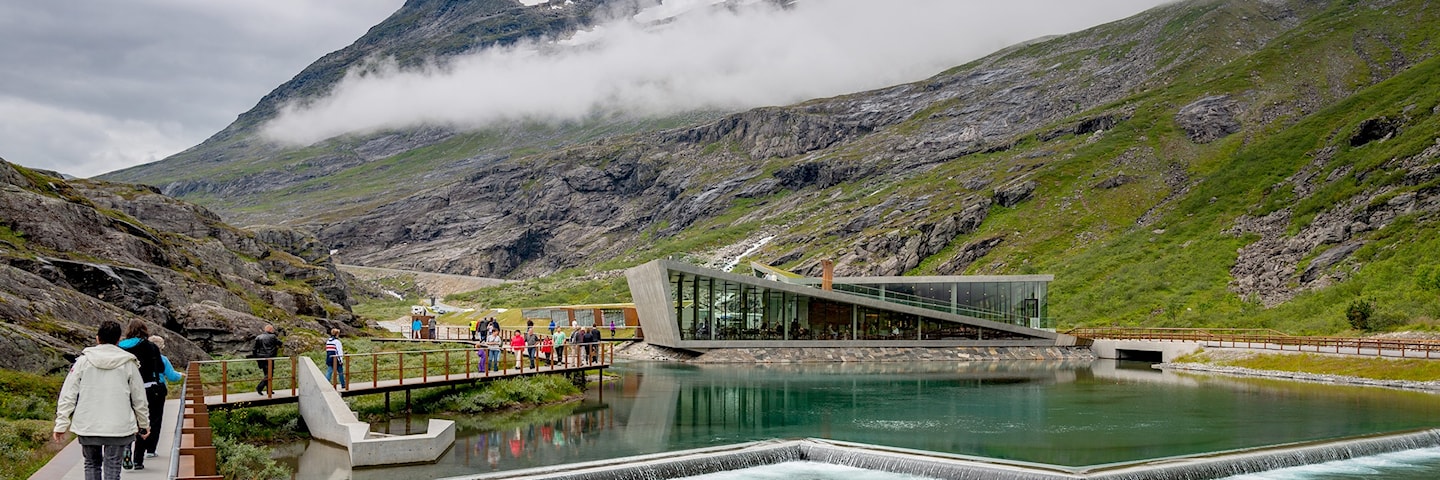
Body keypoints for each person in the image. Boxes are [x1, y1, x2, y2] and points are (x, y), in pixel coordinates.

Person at [54, 320, 150, 480]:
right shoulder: (128, 362)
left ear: (98, 338)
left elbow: (68, 393)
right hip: (118, 425)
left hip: (88, 423)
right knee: (113, 467)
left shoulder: (83, 361)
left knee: (91, 464)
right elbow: (139, 397)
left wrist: (62, 422)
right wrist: (144, 423)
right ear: (118, 340)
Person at [118, 320, 164, 470]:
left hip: (125, 390)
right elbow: (160, 367)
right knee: (144, 422)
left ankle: (126, 447)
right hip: (147, 388)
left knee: (127, 421)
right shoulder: (150, 346)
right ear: (145, 330)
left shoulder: (119, 347)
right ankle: (138, 459)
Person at [145, 335, 183, 459]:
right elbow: (172, 376)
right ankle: (151, 449)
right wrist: (180, 375)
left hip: (142, 390)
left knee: (143, 418)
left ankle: (138, 449)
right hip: (157, 390)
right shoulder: (162, 359)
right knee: (156, 419)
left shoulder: (141, 359)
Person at [251, 324, 281, 396]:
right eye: (272, 329)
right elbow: (280, 343)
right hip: (269, 357)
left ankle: (269, 390)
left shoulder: (258, 337)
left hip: (261, 358)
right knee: (270, 374)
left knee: (266, 374)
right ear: (270, 330)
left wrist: (257, 357)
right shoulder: (273, 337)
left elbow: (254, 349)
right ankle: (260, 387)